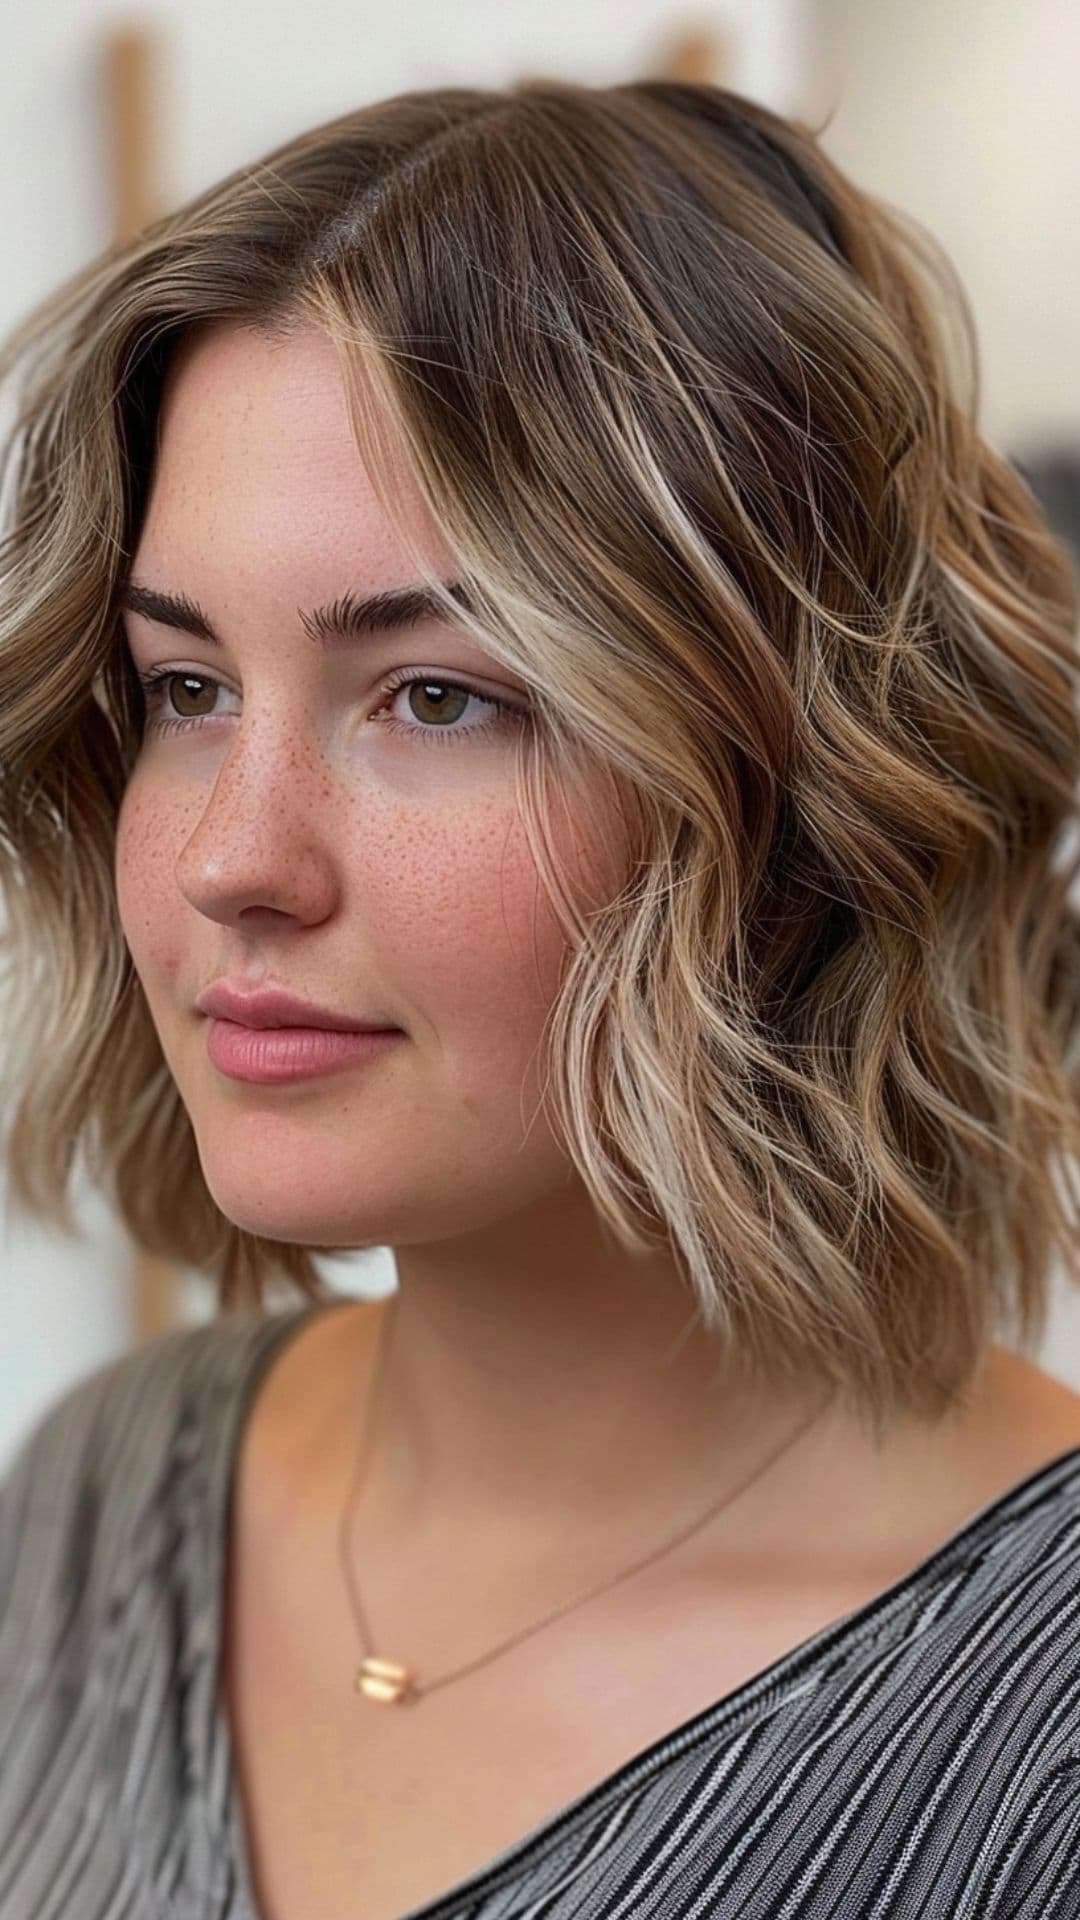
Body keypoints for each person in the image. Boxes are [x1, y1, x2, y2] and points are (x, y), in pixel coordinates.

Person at [1, 75, 1078, 1920]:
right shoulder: (112, 1486)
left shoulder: (1037, 1725)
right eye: (186, 690)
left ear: (804, 787)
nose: (231, 860)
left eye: (436, 696)